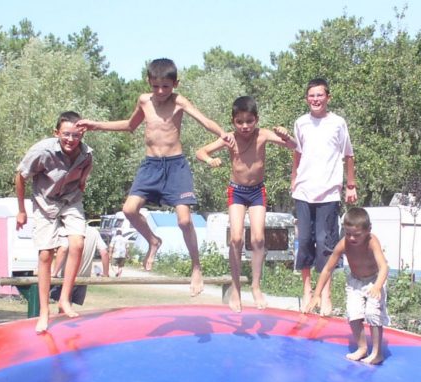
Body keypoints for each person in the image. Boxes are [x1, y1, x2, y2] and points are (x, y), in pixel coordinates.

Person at [76, 58, 233, 296]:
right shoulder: (144, 101)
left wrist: (223, 133)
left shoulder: (179, 101)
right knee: (129, 210)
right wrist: (96, 125)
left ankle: (196, 267)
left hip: (175, 166)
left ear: (175, 84)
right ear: (149, 82)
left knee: (183, 221)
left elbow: (203, 120)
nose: (160, 92)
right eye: (155, 86)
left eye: (166, 87)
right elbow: (130, 125)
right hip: (150, 166)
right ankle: (153, 240)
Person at [196, 96, 296, 313]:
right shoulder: (229, 138)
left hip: (257, 191)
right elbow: (200, 152)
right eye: (240, 122)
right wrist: (210, 160)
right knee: (236, 238)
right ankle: (235, 289)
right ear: (233, 121)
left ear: (256, 119)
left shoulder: (263, 135)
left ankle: (256, 286)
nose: (245, 126)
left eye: (249, 121)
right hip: (237, 192)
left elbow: (295, 146)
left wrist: (286, 135)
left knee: (259, 238)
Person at [15, 111, 93, 333]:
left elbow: (87, 166)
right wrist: (21, 211)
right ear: (57, 133)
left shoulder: (86, 154)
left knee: (77, 243)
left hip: (70, 200)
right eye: (66, 134)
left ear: (82, 134)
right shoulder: (43, 151)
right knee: (45, 254)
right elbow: (20, 176)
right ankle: (44, 312)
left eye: (76, 135)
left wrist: (83, 181)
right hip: (44, 202)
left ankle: (64, 300)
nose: (71, 140)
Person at [292, 78, 358, 315]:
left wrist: (350, 185)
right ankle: (308, 290)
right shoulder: (300, 123)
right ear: (306, 98)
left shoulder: (338, 123)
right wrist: (293, 179)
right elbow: (297, 154)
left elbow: (348, 155)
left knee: (325, 243)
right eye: (311, 96)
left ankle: (326, 294)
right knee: (306, 242)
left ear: (328, 97)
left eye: (320, 95)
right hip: (304, 190)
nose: (315, 100)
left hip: (329, 192)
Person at [305, 207, 389, 365]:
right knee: (353, 314)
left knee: (373, 314)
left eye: (356, 235)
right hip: (355, 281)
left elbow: (384, 267)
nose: (351, 238)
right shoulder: (343, 244)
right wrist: (316, 295)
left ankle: (377, 353)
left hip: (374, 280)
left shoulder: (372, 241)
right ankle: (362, 347)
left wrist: (377, 286)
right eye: (348, 233)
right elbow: (327, 269)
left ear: (368, 230)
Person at [51, 224, 110, 306]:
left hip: (65, 277)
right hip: (82, 279)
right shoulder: (94, 232)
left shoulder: (67, 228)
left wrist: (54, 272)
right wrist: (105, 274)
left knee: (62, 307)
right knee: (67, 307)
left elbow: (63, 249)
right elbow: (104, 253)